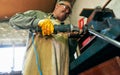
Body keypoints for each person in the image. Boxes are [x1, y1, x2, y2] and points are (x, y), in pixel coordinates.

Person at [9, 1, 72, 75]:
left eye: (69, 11)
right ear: (57, 6)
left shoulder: (67, 29)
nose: (67, 11)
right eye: (66, 7)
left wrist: (73, 40)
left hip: (59, 70)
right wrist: (38, 22)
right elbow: (14, 20)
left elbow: (69, 54)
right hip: (36, 69)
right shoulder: (39, 15)